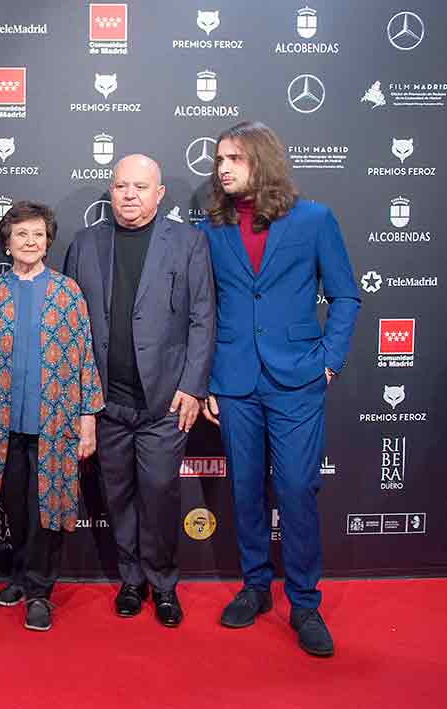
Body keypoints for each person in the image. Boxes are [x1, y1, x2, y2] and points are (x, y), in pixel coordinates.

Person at [199, 121, 360, 656]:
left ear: (262, 162)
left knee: (294, 488)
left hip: (297, 378)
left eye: (235, 159)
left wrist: (328, 362)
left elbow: (346, 296)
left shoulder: (314, 220)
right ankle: (253, 587)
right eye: (220, 158)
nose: (223, 167)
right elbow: (207, 310)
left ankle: (305, 602)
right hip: (235, 378)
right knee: (245, 488)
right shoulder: (213, 227)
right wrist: (209, 382)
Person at [64, 154, 216, 627]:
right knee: (118, 495)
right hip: (105, 401)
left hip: (164, 403)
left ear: (159, 193)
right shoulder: (85, 243)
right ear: (110, 191)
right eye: (120, 186)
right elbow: (70, 324)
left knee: (159, 494)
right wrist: (82, 399)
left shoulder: (188, 242)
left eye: (139, 187)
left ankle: (163, 584)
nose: (129, 195)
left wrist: (192, 387)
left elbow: (202, 317)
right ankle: (131, 581)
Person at [0, 201, 103, 632]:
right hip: (3, 424)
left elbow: (84, 355)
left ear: (48, 242)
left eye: (38, 235)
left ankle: (40, 592)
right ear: (7, 243)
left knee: (49, 506)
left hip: (56, 424)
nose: (30, 242)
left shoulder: (68, 292)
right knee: (15, 504)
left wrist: (88, 418)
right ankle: (18, 578)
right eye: (21, 234)